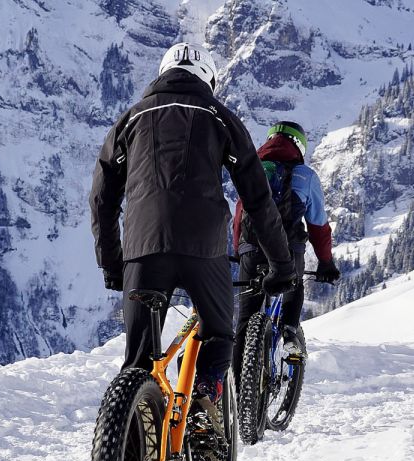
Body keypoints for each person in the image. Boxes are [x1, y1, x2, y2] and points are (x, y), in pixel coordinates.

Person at [89, 42, 295, 440]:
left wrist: (113, 263)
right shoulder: (220, 117)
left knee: (138, 363)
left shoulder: (129, 119)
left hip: (143, 250)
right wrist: (282, 265)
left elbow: (101, 198)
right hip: (204, 248)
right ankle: (204, 397)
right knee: (219, 333)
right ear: (209, 81)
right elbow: (257, 199)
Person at [232, 121, 341, 374]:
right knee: (294, 286)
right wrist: (326, 263)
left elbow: (239, 215)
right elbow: (319, 226)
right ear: (299, 145)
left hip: (251, 249)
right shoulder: (306, 176)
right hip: (289, 250)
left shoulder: (253, 169)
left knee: (246, 322)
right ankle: (290, 332)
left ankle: (238, 394)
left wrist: (240, 250)